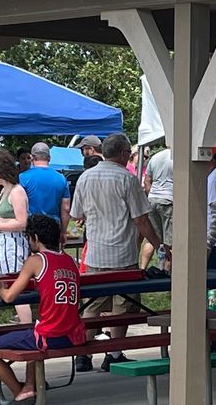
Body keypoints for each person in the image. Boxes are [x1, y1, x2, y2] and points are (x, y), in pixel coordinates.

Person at [69, 132, 161, 359]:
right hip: (123, 253)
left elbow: (76, 214)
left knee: (92, 304)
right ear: (123, 153)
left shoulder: (85, 177)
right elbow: (141, 219)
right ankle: (115, 352)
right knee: (123, 304)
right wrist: (158, 244)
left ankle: (84, 354)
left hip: (95, 253)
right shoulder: (127, 179)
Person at [0, 214, 85, 405]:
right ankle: (30, 386)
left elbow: (9, 297)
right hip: (72, 335)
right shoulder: (69, 261)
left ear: (35, 238)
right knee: (34, 332)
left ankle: (20, 392)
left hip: (50, 336)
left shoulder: (35, 260)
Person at [0, 148, 31, 279]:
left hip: (13, 244)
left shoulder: (17, 191)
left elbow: (22, 222)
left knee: (11, 279)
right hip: (3, 243)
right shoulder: (4, 190)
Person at [19, 141, 72, 231]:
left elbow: (19, 206)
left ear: (32, 158)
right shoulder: (61, 178)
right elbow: (66, 208)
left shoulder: (22, 177)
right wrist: (63, 232)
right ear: (49, 158)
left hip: (31, 226)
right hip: (54, 226)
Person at [142, 143, 175, 259]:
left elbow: (147, 181)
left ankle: (150, 266)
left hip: (152, 200)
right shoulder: (178, 157)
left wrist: (151, 196)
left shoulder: (155, 157)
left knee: (154, 241)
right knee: (170, 242)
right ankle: (167, 267)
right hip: (168, 200)